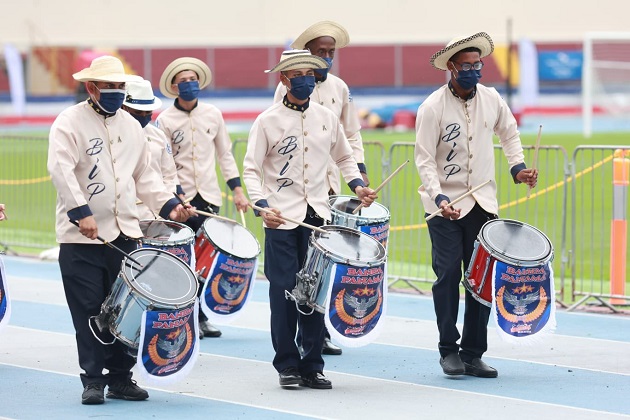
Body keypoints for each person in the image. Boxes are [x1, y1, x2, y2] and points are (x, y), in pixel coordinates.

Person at [47, 56, 196, 405]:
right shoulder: (68, 122)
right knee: (89, 310)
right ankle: (93, 379)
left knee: (128, 309)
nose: (115, 92)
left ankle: (120, 377)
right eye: (109, 87)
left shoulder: (132, 126)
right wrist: (80, 212)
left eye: (119, 87)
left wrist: (168, 205)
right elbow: (60, 168)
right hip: (80, 238)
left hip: (126, 234)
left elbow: (144, 176)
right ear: (91, 88)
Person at [243, 50, 377, 389]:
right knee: (285, 291)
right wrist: (261, 205)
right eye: (298, 74)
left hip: (317, 220)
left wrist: (359, 186)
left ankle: (312, 364)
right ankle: (287, 364)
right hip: (281, 220)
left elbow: (345, 157)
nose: (306, 79)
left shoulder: (326, 117)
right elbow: (251, 168)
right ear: (284, 79)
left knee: (315, 293)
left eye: (310, 73)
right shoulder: (267, 121)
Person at [414, 32, 538, 379]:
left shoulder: (492, 99)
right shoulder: (432, 107)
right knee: (449, 274)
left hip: (482, 204)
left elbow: (509, 134)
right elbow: (424, 160)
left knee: (481, 281)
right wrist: (438, 196)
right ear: (451, 67)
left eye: (477, 64)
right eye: (466, 65)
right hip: (443, 207)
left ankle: (472, 353)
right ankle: (448, 350)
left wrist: (518, 168)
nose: (473, 70)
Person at [275, 20, 368, 356]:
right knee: (298, 268)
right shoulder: (289, 89)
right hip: (298, 194)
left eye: (331, 52)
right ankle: (299, 336)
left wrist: (360, 171)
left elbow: (351, 135)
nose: (327, 57)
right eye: (321, 52)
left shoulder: (341, 89)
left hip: (329, 191)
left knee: (323, 265)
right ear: (309, 54)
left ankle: (319, 332)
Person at [156, 57, 249, 339]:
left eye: (193, 80)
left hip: (209, 196)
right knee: (182, 258)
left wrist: (237, 189)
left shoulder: (213, 114)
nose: (189, 85)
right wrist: (176, 195)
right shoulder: (165, 120)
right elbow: (164, 161)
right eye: (183, 81)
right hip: (179, 199)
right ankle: (179, 313)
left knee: (208, 259)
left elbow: (225, 154)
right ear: (173, 86)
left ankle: (203, 314)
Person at [121, 79, 182, 220]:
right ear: (125, 108)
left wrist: (168, 205)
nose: (143, 116)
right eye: (138, 112)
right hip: (126, 214)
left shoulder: (158, 135)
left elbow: (169, 175)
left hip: (157, 214)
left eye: (147, 112)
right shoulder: (113, 135)